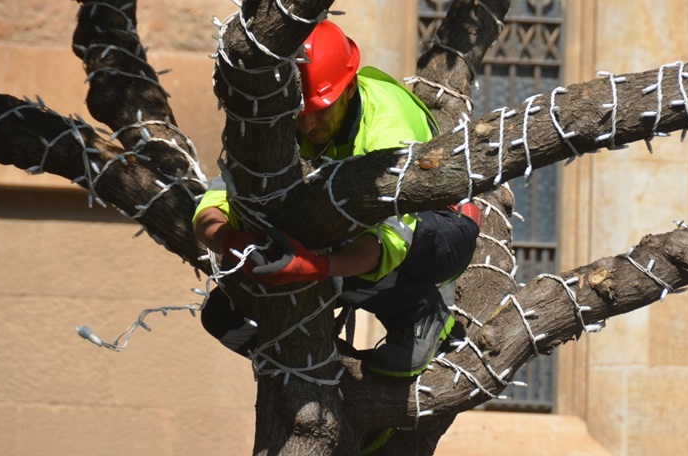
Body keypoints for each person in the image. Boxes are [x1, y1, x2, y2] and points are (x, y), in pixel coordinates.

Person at [193, 20, 480, 377]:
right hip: (342, 225)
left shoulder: (389, 129)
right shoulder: (284, 114)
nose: (307, 125)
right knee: (220, 316)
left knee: (338, 243)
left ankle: (420, 313)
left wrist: (316, 268)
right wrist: (232, 240)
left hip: (438, 228)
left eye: (318, 111)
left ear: (348, 89)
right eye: (300, 112)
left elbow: (391, 239)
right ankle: (322, 364)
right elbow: (221, 196)